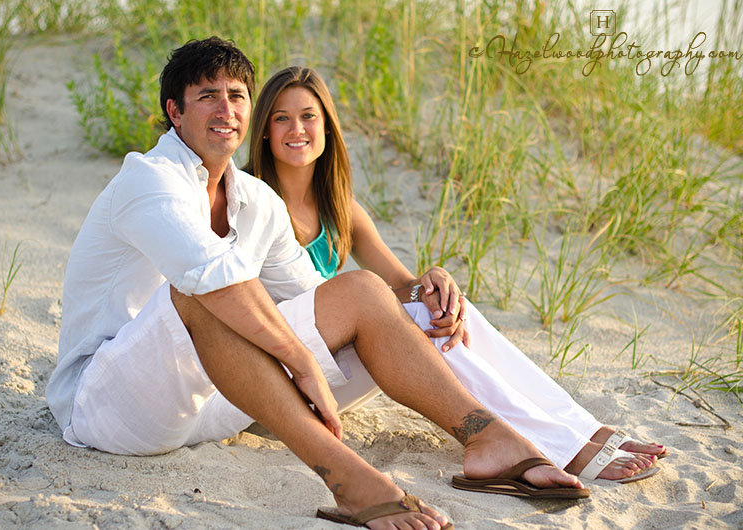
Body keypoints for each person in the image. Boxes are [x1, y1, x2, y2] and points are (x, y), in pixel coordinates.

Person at [46, 38, 595, 530]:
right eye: (208, 96)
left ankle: (488, 438)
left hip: (215, 404)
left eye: (237, 96)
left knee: (362, 292)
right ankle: (350, 481)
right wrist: (304, 363)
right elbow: (209, 280)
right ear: (175, 112)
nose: (226, 110)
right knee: (201, 293)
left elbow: (321, 298)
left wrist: (420, 288)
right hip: (109, 405)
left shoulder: (258, 202)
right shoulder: (148, 178)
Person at [243, 66, 668, 486]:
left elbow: (400, 284)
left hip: (332, 365)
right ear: (264, 129)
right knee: (424, 319)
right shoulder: (250, 199)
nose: (295, 128)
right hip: (285, 384)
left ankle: (583, 430)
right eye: (281, 117)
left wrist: (434, 281)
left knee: (441, 308)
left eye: (308, 116)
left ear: (328, 128)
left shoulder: (341, 208)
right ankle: (563, 446)